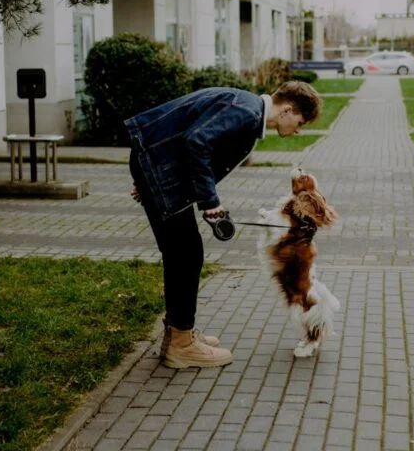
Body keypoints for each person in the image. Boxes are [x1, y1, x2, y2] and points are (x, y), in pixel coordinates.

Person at [125, 80, 322, 369]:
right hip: (155, 164)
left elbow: (188, 135)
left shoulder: (246, 105)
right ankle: (181, 343)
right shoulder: (247, 112)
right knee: (186, 253)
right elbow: (196, 141)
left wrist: (150, 177)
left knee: (183, 252)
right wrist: (210, 203)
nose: (299, 129)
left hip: (155, 163)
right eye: (300, 121)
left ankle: (179, 333)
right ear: (287, 110)